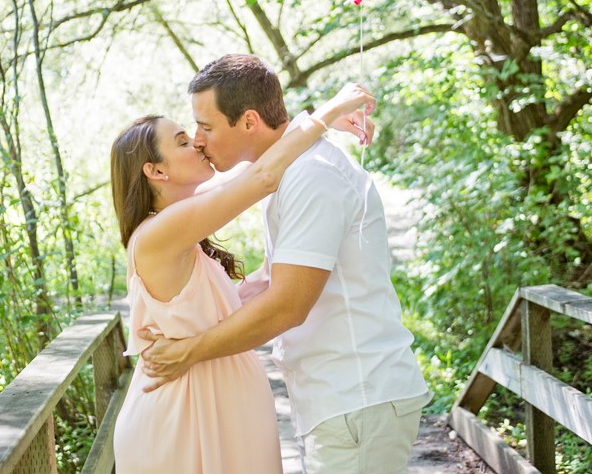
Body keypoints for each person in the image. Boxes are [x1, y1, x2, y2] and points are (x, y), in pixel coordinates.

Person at [138, 54, 432, 474]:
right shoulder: (291, 171)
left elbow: (288, 304)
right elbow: (270, 278)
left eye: (205, 126)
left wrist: (188, 352)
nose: (199, 139)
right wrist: (187, 318)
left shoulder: (312, 175)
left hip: (357, 394)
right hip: (335, 400)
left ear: (249, 122)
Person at [109, 82, 375, 474]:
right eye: (183, 141)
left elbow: (257, 163)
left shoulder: (179, 232)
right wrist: (327, 111)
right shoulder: (158, 234)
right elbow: (263, 175)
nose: (198, 144)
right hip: (182, 420)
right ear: (156, 170)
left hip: (217, 411)